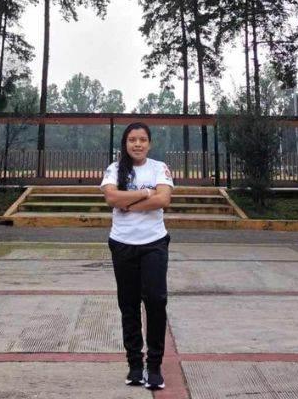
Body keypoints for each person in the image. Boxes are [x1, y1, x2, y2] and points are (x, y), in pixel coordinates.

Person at [99, 122, 173, 392]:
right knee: (128, 304)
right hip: (122, 244)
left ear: (149, 143)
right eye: (132, 139)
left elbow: (163, 200)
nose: (138, 144)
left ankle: (154, 366)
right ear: (126, 143)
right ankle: (134, 365)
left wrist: (126, 201)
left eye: (142, 139)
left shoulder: (159, 167)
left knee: (155, 301)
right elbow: (110, 198)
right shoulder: (114, 169)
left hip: (154, 243)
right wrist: (143, 193)